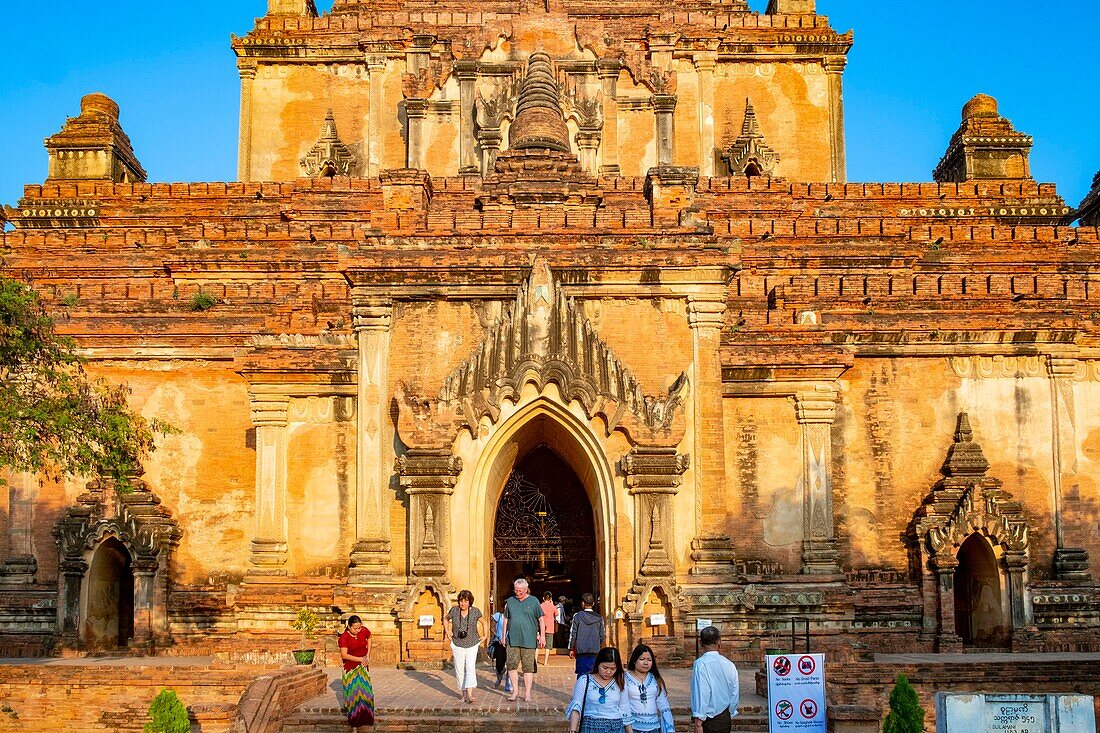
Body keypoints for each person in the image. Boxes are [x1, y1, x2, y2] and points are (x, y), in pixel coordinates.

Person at [566, 646, 634, 733]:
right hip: (590, 727)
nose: (608, 672)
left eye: (613, 669)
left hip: (616, 727)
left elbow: (624, 709)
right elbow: (576, 707)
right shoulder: (584, 680)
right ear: (598, 664)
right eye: (605, 668)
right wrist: (573, 730)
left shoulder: (620, 681)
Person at [501, 577, 545, 702]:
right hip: (513, 640)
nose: (518, 593)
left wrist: (542, 636)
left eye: (520, 590)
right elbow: (506, 619)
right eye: (516, 590)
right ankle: (515, 691)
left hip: (529, 641)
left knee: (528, 668)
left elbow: (541, 619)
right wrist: (503, 636)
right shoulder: (510, 601)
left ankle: (527, 693)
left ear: (526, 589)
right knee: (511, 666)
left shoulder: (534, 601)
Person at [690, 626, 739, 733]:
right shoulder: (729, 664)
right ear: (719, 642)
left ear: (700, 642)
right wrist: (729, 712)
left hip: (708, 720)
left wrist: (698, 721)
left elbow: (702, 692)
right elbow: (734, 693)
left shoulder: (700, 664)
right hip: (725, 717)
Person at [444, 589, 487, 703]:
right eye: (461, 601)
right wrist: (447, 631)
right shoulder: (454, 610)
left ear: (470, 602)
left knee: (470, 667)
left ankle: (470, 694)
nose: (463, 604)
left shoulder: (475, 611)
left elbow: (484, 622)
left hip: (472, 643)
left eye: (465, 601)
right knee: (459, 668)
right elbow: (445, 619)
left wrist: (485, 635)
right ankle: (463, 694)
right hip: (457, 643)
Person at [625, 644, 674, 733]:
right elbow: (622, 705)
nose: (646, 663)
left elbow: (664, 706)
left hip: (654, 727)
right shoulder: (624, 678)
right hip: (632, 727)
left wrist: (669, 728)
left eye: (649, 660)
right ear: (634, 660)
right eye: (642, 659)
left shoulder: (656, 679)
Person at [338, 615, 375, 731]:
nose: (357, 631)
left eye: (359, 628)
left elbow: (369, 637)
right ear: (349, 626)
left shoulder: (363, 631)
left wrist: (368, 655)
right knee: (354, 696)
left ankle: (367, 718)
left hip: (363, 667)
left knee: (367, 693)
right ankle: (355, 721)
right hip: (350, 669)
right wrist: (361, 659)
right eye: (355, 628)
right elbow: (344, 655)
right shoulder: (344, 637)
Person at [568, 593, 604, 677]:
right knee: (594, 676)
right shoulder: (599, 618)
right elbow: (602, 635)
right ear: (593, 603)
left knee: (581, 677)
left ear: (583, 603)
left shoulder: (577, 616)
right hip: (595, 651)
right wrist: (597, 643)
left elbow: (573, 634)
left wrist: (571, 648)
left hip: (581, 651)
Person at [490, 605, 512, 693]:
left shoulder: (513, 617)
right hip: (499, 643)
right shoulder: (498, 616)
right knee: (499, 664)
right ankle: (499, 678)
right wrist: (498, 637)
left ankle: (508, 683)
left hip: (510, 643)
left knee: (510, 663)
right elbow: (491, 628)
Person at [539, 591, 557, 666]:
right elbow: (557, 614)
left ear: (543, 598)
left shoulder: (540, 605)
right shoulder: (553, 607)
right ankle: (545, 662)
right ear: (550, 598)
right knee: (548, 646)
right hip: (550, 628)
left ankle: (536, 661)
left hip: (540, 627)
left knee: (538, 645)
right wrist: (552, 604)